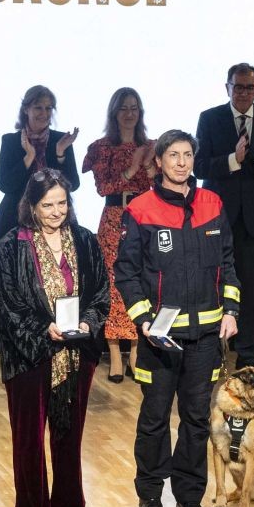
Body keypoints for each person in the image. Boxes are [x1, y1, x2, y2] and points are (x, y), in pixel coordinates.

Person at [115, 129, 240, 507]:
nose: (182, 162)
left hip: (205, 339)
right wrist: (143, 319)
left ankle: (189, 498)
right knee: (153, 420)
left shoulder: (212, 204)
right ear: (159, 162)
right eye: (174, 155)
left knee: (196, 421)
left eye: (187, 155)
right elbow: (126, 273)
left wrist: (231, 310)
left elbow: (229, 264)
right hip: (159, 340)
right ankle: (150, 496)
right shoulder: (140, 210)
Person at [0, 169, 109, 507]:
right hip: (31, 355)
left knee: (69, 436)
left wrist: (89, 322)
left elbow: (101, 293)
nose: (57, 211)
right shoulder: (11, 246)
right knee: (28, 438)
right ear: (31, 206)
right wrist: (45, 329)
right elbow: (8, 305)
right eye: (48, 205)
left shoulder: (86, 241)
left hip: (77, 354)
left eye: (62, 203)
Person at [195, 62, 254, 368]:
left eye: (251, 87)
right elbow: (200, 168)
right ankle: (210, 351)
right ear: (227, 87)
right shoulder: (210, 119)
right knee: (213, 284)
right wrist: (234, 160)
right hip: (217, 218)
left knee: (250, 287)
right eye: (239, 87)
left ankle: (248, 355)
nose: (245, 93)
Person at [81, 87, 153, 382]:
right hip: (112, 219)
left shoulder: (150, 145)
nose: (129, 113)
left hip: (142, 218)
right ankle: (113, 354)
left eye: (134, 107)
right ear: (114, 112)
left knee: (140, 281)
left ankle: (135, 353)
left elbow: (158, 184)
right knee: (112, 283)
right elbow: (103, 188)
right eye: (123, 108)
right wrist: (131, 168)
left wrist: (147, 168)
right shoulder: (102, 148)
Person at [0, 85, 80, 244]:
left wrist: (60, 154)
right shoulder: (10, 141)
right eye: (38, 107)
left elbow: (73, 184)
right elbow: (4, 185)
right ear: (26, 109)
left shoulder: (61, 140)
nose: (44, 113)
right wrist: (29, 157)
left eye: (48, 108)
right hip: (15, 219)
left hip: (56, 220)